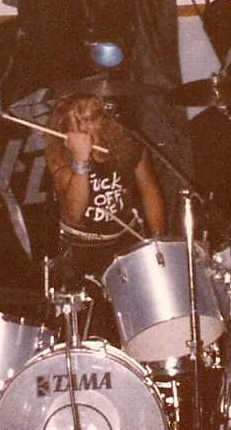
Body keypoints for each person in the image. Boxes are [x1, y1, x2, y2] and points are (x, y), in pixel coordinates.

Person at [45, 93, 166, 343]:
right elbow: (73, 214)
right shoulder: (59, 152)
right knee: (91, 336)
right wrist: (81, 160)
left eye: (90, 118)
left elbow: (150, 190)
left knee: (143, 328)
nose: (82, 127)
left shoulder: (127, 144)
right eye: (74, 120)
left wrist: (156, 241)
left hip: (124, 243)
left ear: (104, 118)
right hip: (81, 251)